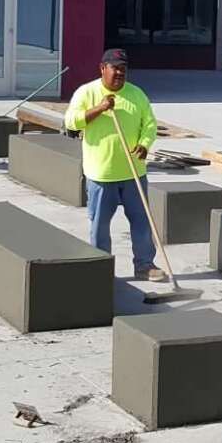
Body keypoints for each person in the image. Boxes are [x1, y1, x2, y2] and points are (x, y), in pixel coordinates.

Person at [64, 48, 163, 281]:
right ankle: (101, 267)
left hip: (133, 172)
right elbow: (71, 122)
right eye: (115, 68)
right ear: (102, 68)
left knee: (141, 222)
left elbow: (149, 124)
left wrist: (145, 144)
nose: (119, 73)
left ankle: (145, 265)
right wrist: (100, 108)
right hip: (102, 174)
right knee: (99, 225)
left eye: (123, 69)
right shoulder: (86, 92)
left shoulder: (136, 94)